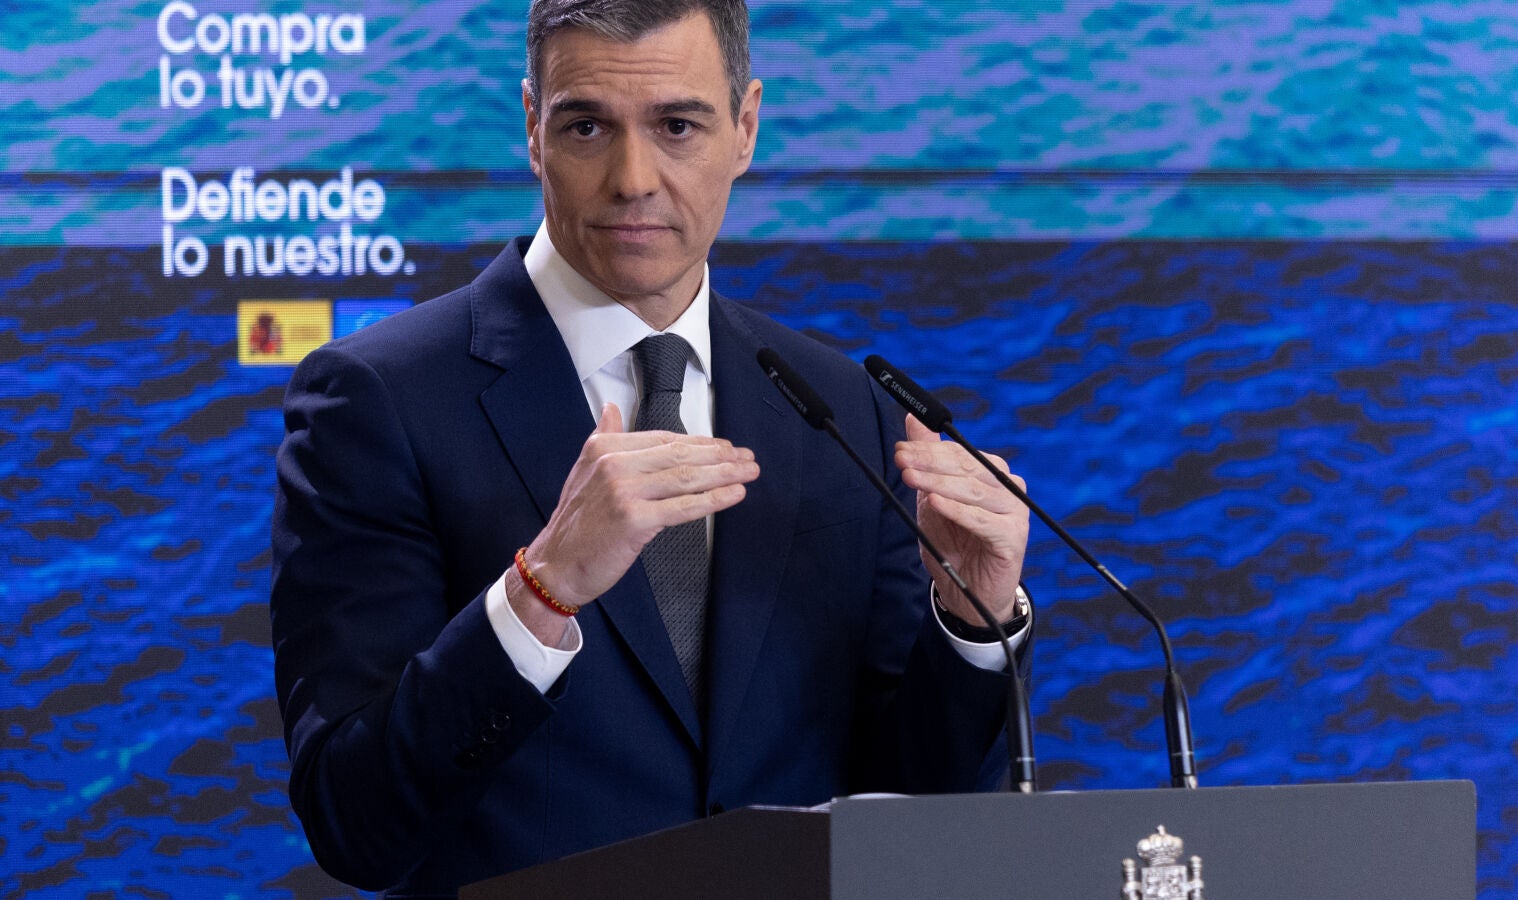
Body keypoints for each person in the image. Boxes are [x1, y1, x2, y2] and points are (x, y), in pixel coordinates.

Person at [270, 0, 1032, 894]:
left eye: (677, 126)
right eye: (587, 126)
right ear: (532, 129)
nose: (633, 179)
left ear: (745, 128)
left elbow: (914, 810)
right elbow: (354, 822)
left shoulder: (840, 409)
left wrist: (972, 624)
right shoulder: (377, 400)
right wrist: (540, 591)